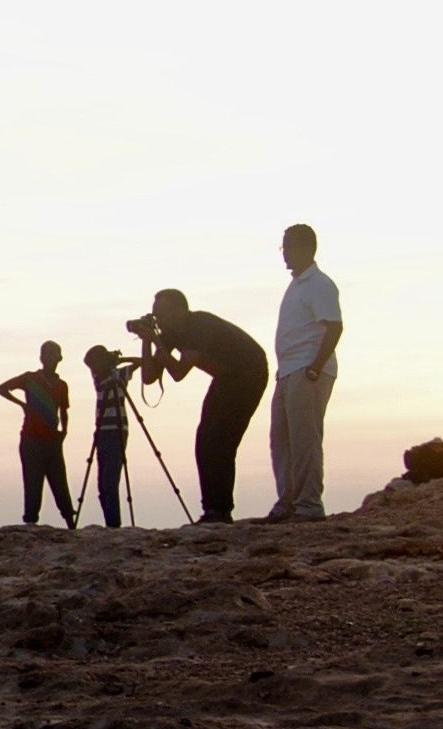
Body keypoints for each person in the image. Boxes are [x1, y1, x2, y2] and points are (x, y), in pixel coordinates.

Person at [135, 289, 267, 523]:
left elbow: (177, 372)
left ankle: (221, 510)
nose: (159, 322)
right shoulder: (168, 333)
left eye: (162, 316)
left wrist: (156, 340)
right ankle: (212, 510)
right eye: (155, 317)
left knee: (220, 439)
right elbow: (148, 377)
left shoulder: (199, 325)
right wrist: (146, 342)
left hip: (250, 373)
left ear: (180, 311)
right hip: (225, 378)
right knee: (204, 438)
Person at [258, 224, 343, 524]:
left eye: (288, 247)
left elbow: (334, 326)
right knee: (281, 438)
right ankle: (289, 501)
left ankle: (308, 504)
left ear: (306, 247)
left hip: (307, 369)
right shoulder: (297, 285)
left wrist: (315, 367)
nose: (285, 254)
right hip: (290, 370)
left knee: (305, 439)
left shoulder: (319, 283)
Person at [0, 341, 78, 528]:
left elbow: (64, 410)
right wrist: (22, 404)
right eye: (47, 354)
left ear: (60, 358)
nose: (51, 358)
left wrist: (64, 432)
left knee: (59, 482)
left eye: (54, 354)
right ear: (41, 358)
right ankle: (31, 522)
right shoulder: (30, 378)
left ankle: (70, 522)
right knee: (33, 482)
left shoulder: (62, 385)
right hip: (31, 439)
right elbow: (1, 388)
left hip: (52, 440)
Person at [81, 345, 137, 528]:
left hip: (117, 430)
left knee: (110, 483)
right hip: (102, 432)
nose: (93, 369)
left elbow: (142, 362)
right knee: (102, 487)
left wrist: (119, 361)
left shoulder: (119, 376)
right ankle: (110, 523)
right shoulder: (98, 378)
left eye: (95, 364)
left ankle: (113, 525)